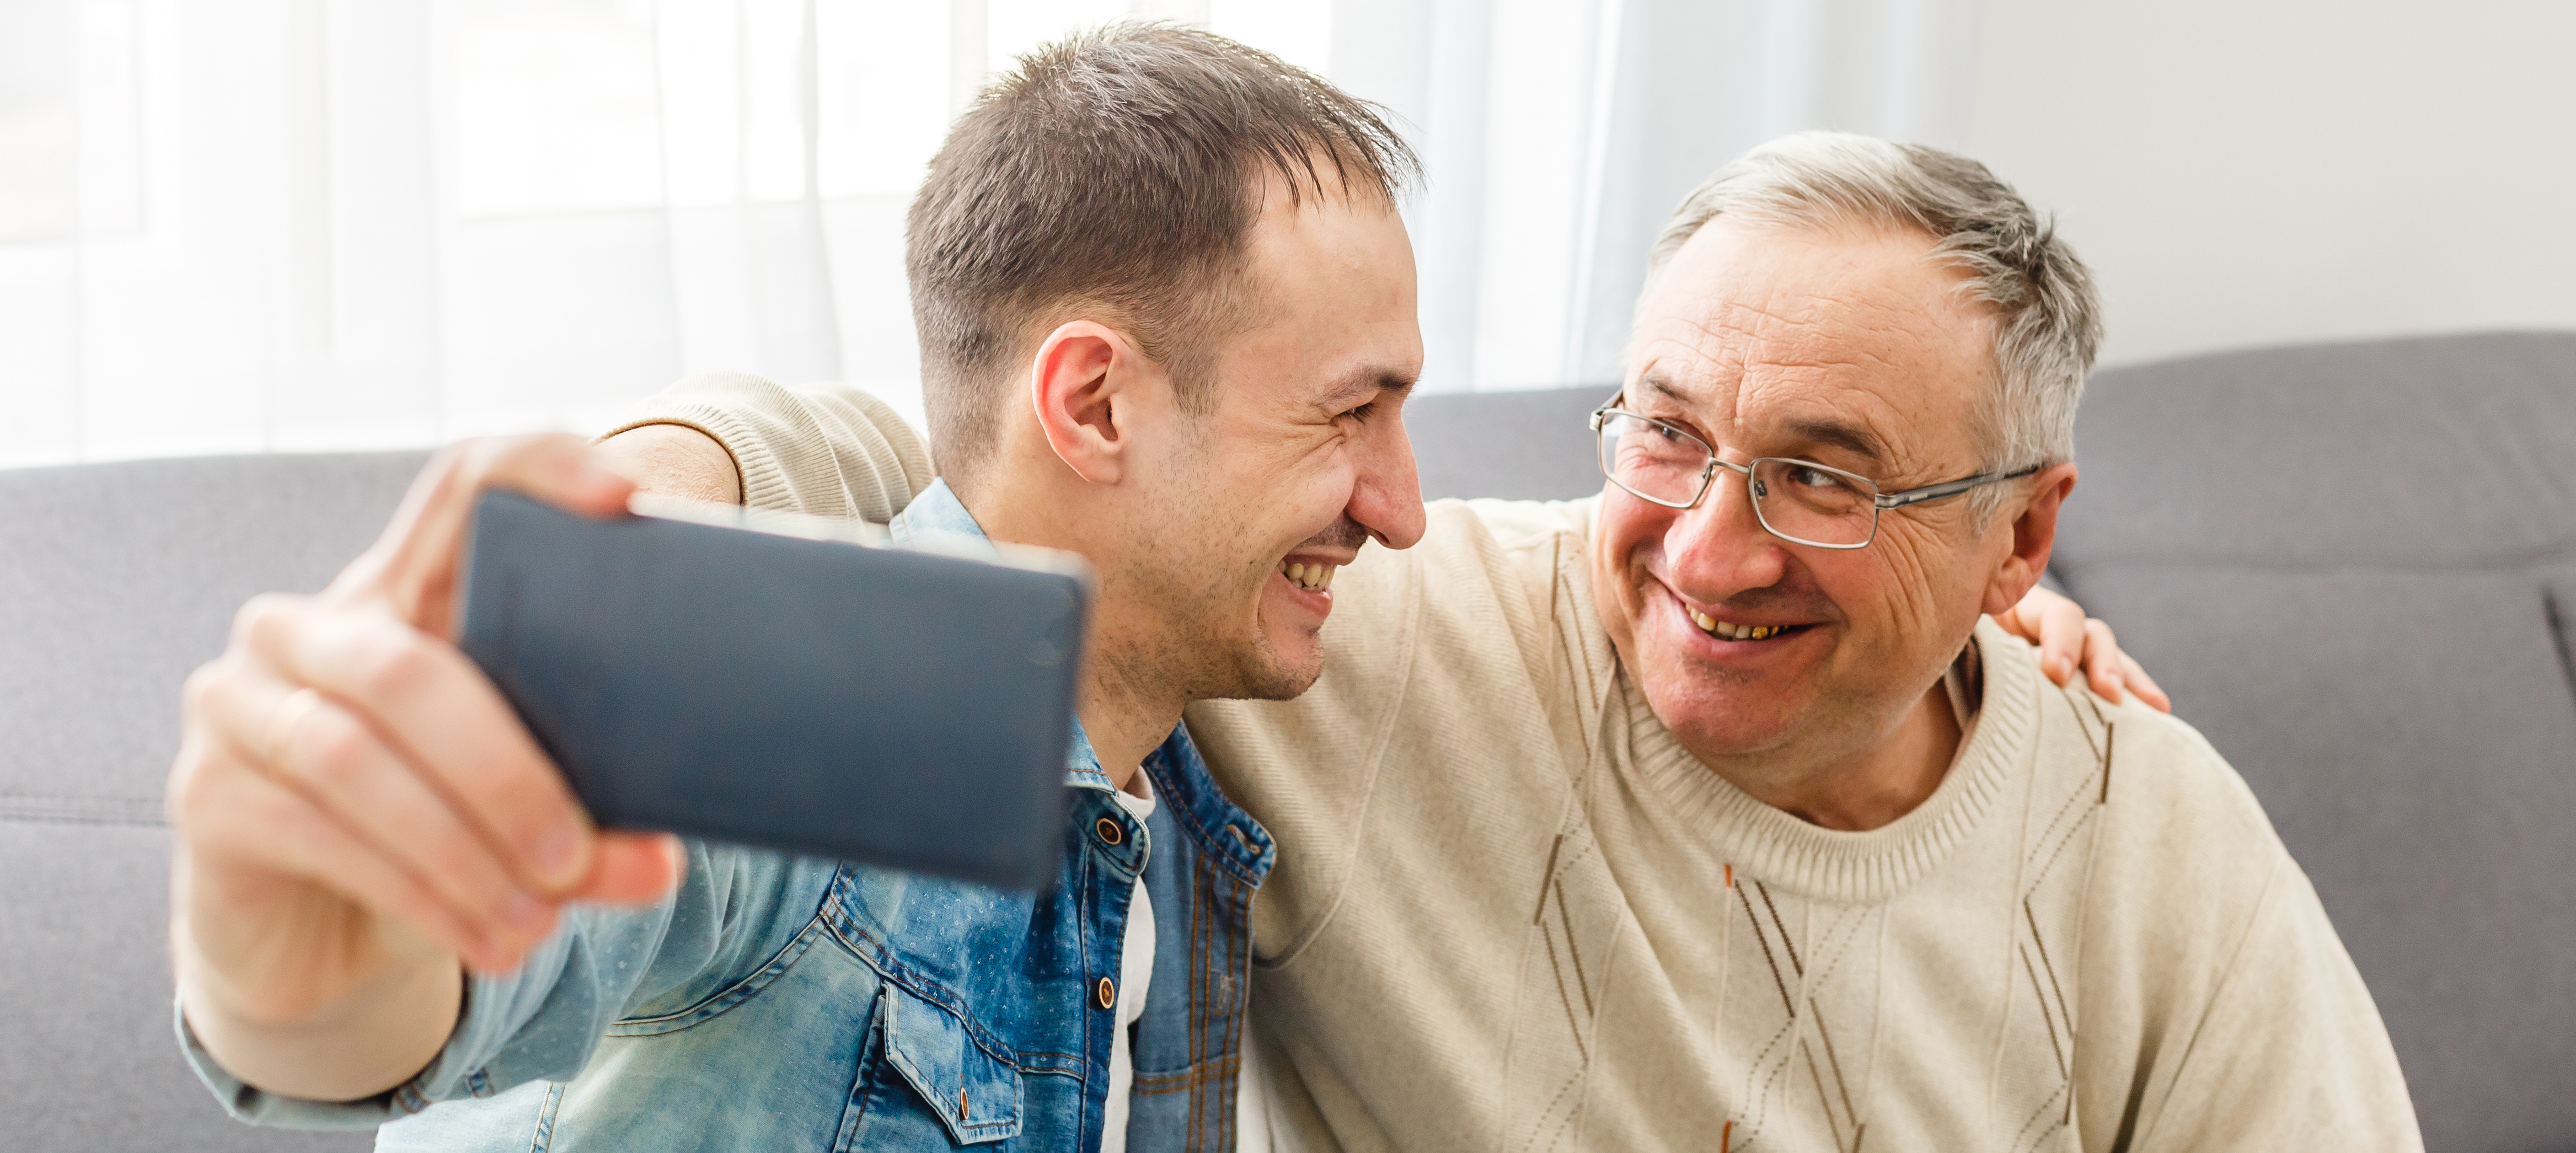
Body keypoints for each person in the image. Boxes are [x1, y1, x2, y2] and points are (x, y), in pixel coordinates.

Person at [631, 133, 2419, 1150]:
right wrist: (655, 473)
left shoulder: (2152, 845)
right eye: (1666, 431)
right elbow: (997, 468)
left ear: (2020, 535)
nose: (1707, 546)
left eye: (1821, 476)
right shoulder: (1370, 635)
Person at [169, 25, 1426, 1151]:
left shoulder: (1180, 820)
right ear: (1092, 405)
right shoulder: (785, 721)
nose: (1402, 510)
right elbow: (415, 1002)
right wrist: (295, 965)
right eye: (1349, 413)